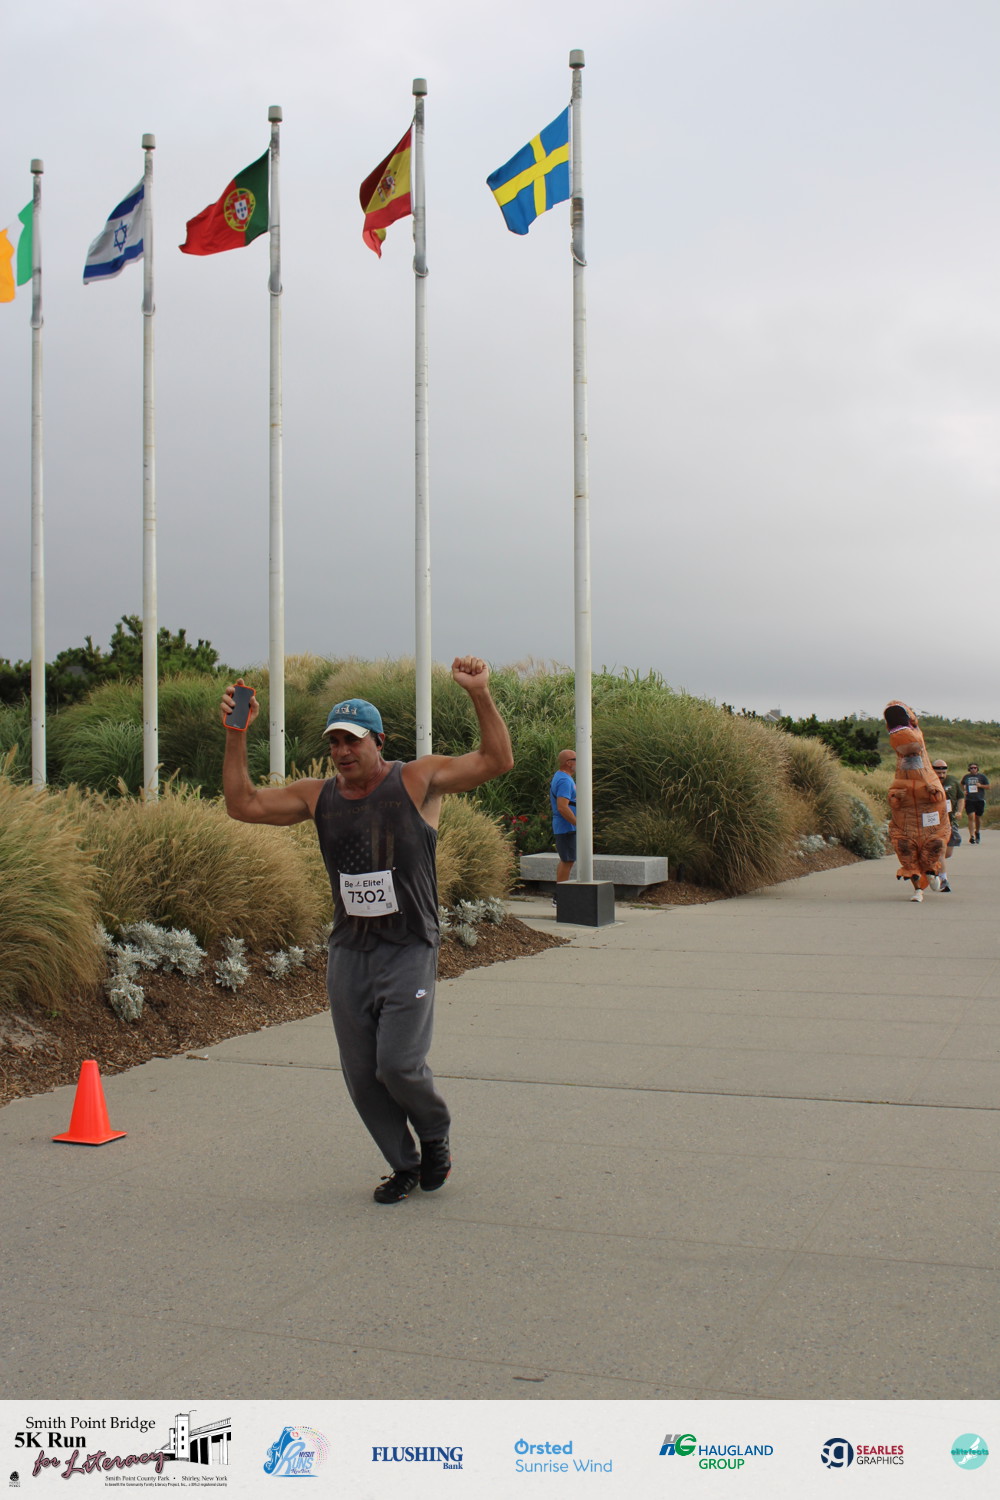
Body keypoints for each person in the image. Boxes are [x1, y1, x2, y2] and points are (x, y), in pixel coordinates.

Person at [220, 657, 513, 1205]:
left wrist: (479, 693)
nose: (342, 751)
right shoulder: (318, 796)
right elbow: (243, 805)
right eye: (334, 742)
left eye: (352, 740)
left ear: (378, 741)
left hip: (408, 946)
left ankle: (433, 1133)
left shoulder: (416, 780)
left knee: (397, 1065)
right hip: (350, 951)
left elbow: (496, 760)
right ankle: (404, 1164)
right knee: (361, 1075)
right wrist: (236, 733)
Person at [930, 759, 961, 892]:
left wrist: (959, 811)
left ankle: (934, 867)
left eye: (943, 772)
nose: (941, 775)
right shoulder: (927, 782)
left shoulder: (953, 781)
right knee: (941, 851)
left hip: (950, 821)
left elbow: (960, 797)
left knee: (947, 854)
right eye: (938, 772)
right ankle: (944, 880)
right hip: (934, 823)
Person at [549, 748, 577, 886]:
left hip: (567, 827)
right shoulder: (564, 780)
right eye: (576, 760)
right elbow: (562, 807)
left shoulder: (563, 777)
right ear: (568, 762)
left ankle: (561, 893)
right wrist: (578, 823)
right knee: (567, 860)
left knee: (567, 859)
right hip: (566, 828)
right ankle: (561, 894)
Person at [961, 763, 990, 844]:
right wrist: (964, 791)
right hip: (969, 800)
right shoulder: (966, 777)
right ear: (969, 769)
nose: (973, 769)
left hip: (979, 799)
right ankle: (972, 836)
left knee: (977, 817)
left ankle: (977, 832)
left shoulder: (982, 777)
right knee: (971, 816)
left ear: (977, 769)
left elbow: (988, 786)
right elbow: (961, 784)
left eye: (975, 768)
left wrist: (980, 785)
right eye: (971, 768)